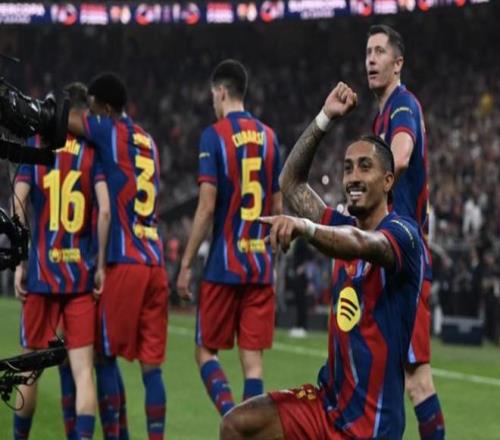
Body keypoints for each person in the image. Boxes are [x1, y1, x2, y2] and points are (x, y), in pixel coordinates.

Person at [220, 82, 424, 439]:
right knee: (237, 426)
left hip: (373, 427)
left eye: (365, 167)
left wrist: (306, 226)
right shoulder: (341, 224)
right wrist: (325, 118)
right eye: (348, 168)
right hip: (325, 406)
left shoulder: (403, 235)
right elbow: (290, 183)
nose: (353, 177)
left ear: (388, 180)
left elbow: (358, 244)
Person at [176, 59, 282, 416]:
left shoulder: (214, 136)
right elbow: (277, 209)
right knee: (253, 364)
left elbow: (206, 207)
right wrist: (271, 257)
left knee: (205, 350)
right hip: (259, 267)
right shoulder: (270, 137)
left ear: (221, 92)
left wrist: (186, 263)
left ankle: (230, 418)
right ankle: (249, 431)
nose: (213, 102)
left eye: (212, 96)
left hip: (224, 266)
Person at [68, 73, 168, 440]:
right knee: (152, 369)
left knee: (103, 357)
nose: (90, 114)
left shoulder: (109, 130)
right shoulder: (149, 140)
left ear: (107, 109)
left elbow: (69, 120)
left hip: (125, 262)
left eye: (94, 108)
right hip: (156, 262)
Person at [13, 82, 110, 440]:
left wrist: (21, 261)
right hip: (79, 277)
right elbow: (105, 210)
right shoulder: (90, 152)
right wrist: (100, 264)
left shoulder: (37, 145)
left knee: (29, 369)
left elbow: (18, 202)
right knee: (84, 371)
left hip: (41, 274)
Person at [366, 24, 445, 439]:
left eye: (380, 52)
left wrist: (362, 197)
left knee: (416, 379)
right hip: (388, 253)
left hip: (405, 256)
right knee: (385, 375)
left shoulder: (402, 105)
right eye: (368, 53)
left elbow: (399, 156)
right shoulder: (379, 114)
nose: (371, 60)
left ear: (398, 63)